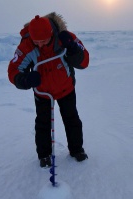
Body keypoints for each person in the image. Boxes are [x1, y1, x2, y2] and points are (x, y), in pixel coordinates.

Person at [8, 12, 89, 168]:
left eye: (43, 41)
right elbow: (14, 70)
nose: (39, 45)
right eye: (36, 41)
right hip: (43, 92)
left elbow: (84, 61)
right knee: (43, 123)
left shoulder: (65, 38)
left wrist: (72, 48)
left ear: (51, 34)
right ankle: (44, 156)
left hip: (66, 88)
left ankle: (77, 150)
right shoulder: (26, 45)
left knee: (72, 119)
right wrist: (25, 79)